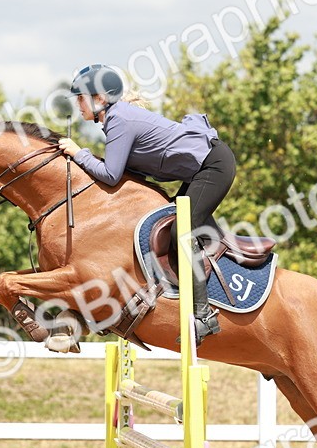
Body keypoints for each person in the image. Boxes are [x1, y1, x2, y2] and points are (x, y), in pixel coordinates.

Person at [58, 63, 236, 345]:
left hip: (213, 166)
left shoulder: (119, 120)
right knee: (173, 225)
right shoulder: (115, 119)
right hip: (200, 170)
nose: (78, 104)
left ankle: (204, 316)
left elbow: (111, 175)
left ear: (100, 98)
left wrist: (79, 153)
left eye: (81, 97)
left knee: (180, 230)